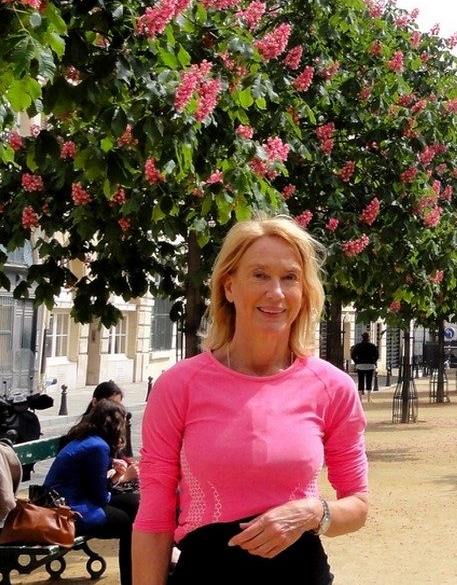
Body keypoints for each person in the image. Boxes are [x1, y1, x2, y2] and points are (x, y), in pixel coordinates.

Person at [132, 216, 369, 584]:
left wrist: (311, 512)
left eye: (290, 277)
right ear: (229, 286)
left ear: (304, 291)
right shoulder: (179, 386)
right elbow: (153, 517)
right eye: (259, 275)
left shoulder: (332, 388)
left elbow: (357, 506)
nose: (276, 292)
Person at [44, 399, 139, 585]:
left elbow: (94, 486)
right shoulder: (97, 447)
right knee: (130, 523)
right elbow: (100, 496)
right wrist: (124, 478)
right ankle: (130, 579)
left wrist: (112, 476)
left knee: (135, 504)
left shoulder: (87, 440)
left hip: (73, 499)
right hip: (70, 510)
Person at [350, 332, 379, 398]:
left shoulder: (358, 346)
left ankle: (360, 396)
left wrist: (356, 362)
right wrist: (373, 362)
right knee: (369, 380)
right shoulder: (372, 346)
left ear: (362, 337)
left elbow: (353, 355)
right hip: (370, 365)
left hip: (360, 365)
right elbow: (377, 356)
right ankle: (369, 396)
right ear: (369, 337)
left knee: (361, 380)